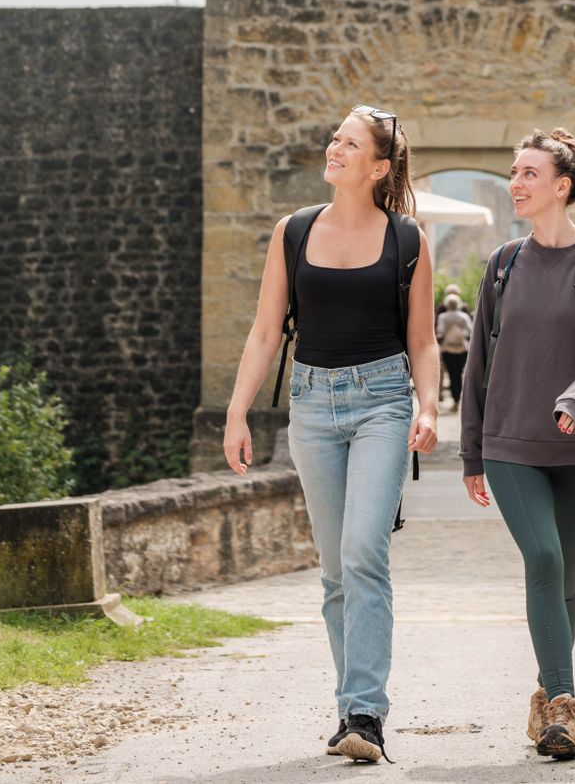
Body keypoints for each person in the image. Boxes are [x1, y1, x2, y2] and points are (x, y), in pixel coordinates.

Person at [223, 105, 439, 765]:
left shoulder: (407, 240)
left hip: (382, 402)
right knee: (334, 570)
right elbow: (266, 332)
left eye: (349, 142)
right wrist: (237, 412)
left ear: (378, 166)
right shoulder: (291, 232)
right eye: (334, 138)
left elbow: (424, 341)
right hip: (312, 407)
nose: (333, 147)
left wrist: (428, 407)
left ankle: (367, 714)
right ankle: (351, 707)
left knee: (362, 552)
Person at [460, 127, 575, 762]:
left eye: (529, 173)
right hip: (511, 442)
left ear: (562, 186)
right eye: (514, 172)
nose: (516, 183)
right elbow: (479, 358)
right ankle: (565, 703)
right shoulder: (503, 264)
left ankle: (545, 701)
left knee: (569, 573)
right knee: (543, 557)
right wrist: (471, 451)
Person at [435, 288, 473, 409]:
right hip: (462, 349)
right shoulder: (464, 316)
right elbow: (469, 331)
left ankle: (455, 398)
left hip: (447, 349)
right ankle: (458, 399)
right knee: (459, 374)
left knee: (452, 374)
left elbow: (440, 332)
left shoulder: (443, 317)